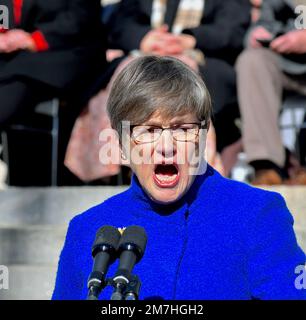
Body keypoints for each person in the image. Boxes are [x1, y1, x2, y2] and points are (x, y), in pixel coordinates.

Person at [52, 56, 306, 300]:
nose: (166, 146)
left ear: (204, 136)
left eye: (182, 129)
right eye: (149, 130)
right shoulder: (87, 229)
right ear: (121, 143)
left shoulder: (256, 214)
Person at [64, 0, 251, 182]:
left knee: (185, 79)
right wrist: (145, 38)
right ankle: (122, 167)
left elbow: (232, 29)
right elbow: (121, 22)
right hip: (142, 55)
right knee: (126, 76)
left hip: (201, 59)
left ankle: (190, 168)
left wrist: (190, 39)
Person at [0, 0, 107, 126]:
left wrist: (32, 39)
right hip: (16, 52)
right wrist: (3, 33)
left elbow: (81, 17)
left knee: (14, 80)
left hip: (66, 52)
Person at [236, 0, 306, 185]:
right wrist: (255, 36)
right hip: (285, 63)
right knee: (252, 61)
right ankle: (267, 165)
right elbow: (262, 25)